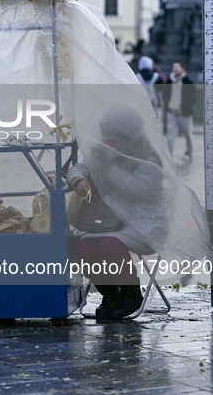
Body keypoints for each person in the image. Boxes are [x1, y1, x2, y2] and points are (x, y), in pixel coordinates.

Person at [67, 108, 163, 319]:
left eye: (113, 134)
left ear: (128, 134)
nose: (107, 138)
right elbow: (80, 168)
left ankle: (131, 296)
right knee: (81, 245)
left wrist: (109, 170)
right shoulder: (104, 152)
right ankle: (110, 293)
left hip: (143, 222)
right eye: (106, 133)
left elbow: (143, 191)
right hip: (111, 221)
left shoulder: (147, 157)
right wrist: (79, 180)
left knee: (109, 244)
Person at [163, 60, 196, 162]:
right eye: (173, 67)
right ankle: (169, 155)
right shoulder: (169, 80)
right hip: (171, 113)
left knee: (188, 135)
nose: (174, 69)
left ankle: (188, 154)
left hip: (184, 113)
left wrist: (183, 106)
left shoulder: (188, 81)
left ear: (182, 68)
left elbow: (193, 97)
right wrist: (168, 106)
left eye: (176, 67)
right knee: (170, 135)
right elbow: (166, 94)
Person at [136, 55, 164, 123]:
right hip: (155, 101)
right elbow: (163, 88)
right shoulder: (156, 76)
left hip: (142, 101)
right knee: (157, 118)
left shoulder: (137, 76)